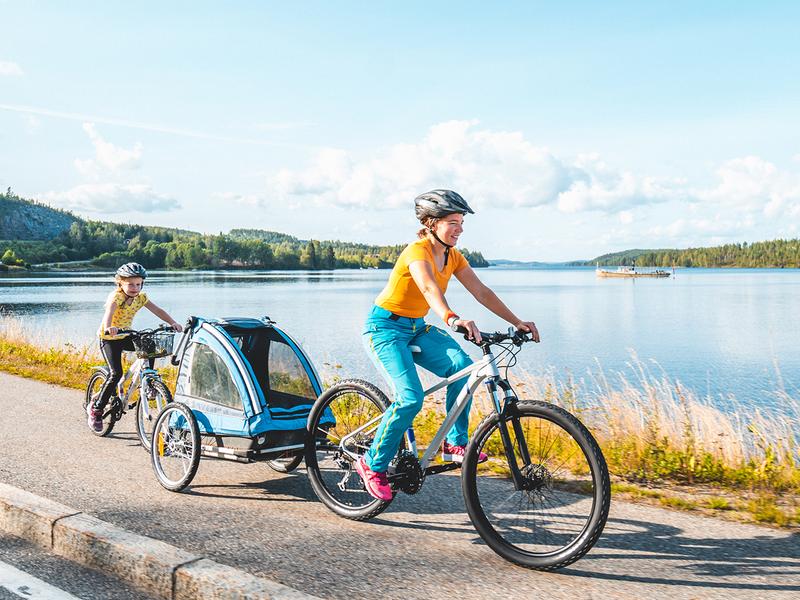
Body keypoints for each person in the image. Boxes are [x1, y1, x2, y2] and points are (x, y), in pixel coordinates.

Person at [356, 189, 540, 501]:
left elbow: (481, 291)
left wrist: (518, 320)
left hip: (416, 327)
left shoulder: (453, 256)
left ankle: (454, 444)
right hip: (385, 328)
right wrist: (452, 318)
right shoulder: (417, 253)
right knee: (410, 399)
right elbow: (428, 287)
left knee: (465, 369)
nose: (460, 228)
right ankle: (372, 463)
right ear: (431, 223)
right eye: (453, 221)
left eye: (461, 221)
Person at [87, 262, 183, 432]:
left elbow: (158, 310)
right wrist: (110, 327)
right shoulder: (116, 297)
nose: (134, 287)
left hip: (127, 335)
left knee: (149, 343)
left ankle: (150, 381)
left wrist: (172, 322)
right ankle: (96, 409)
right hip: (109, 337)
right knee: (115, 373)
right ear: (120, 283)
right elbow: (109, 311)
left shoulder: (141, 298)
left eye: (138, 284)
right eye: (130, 284)